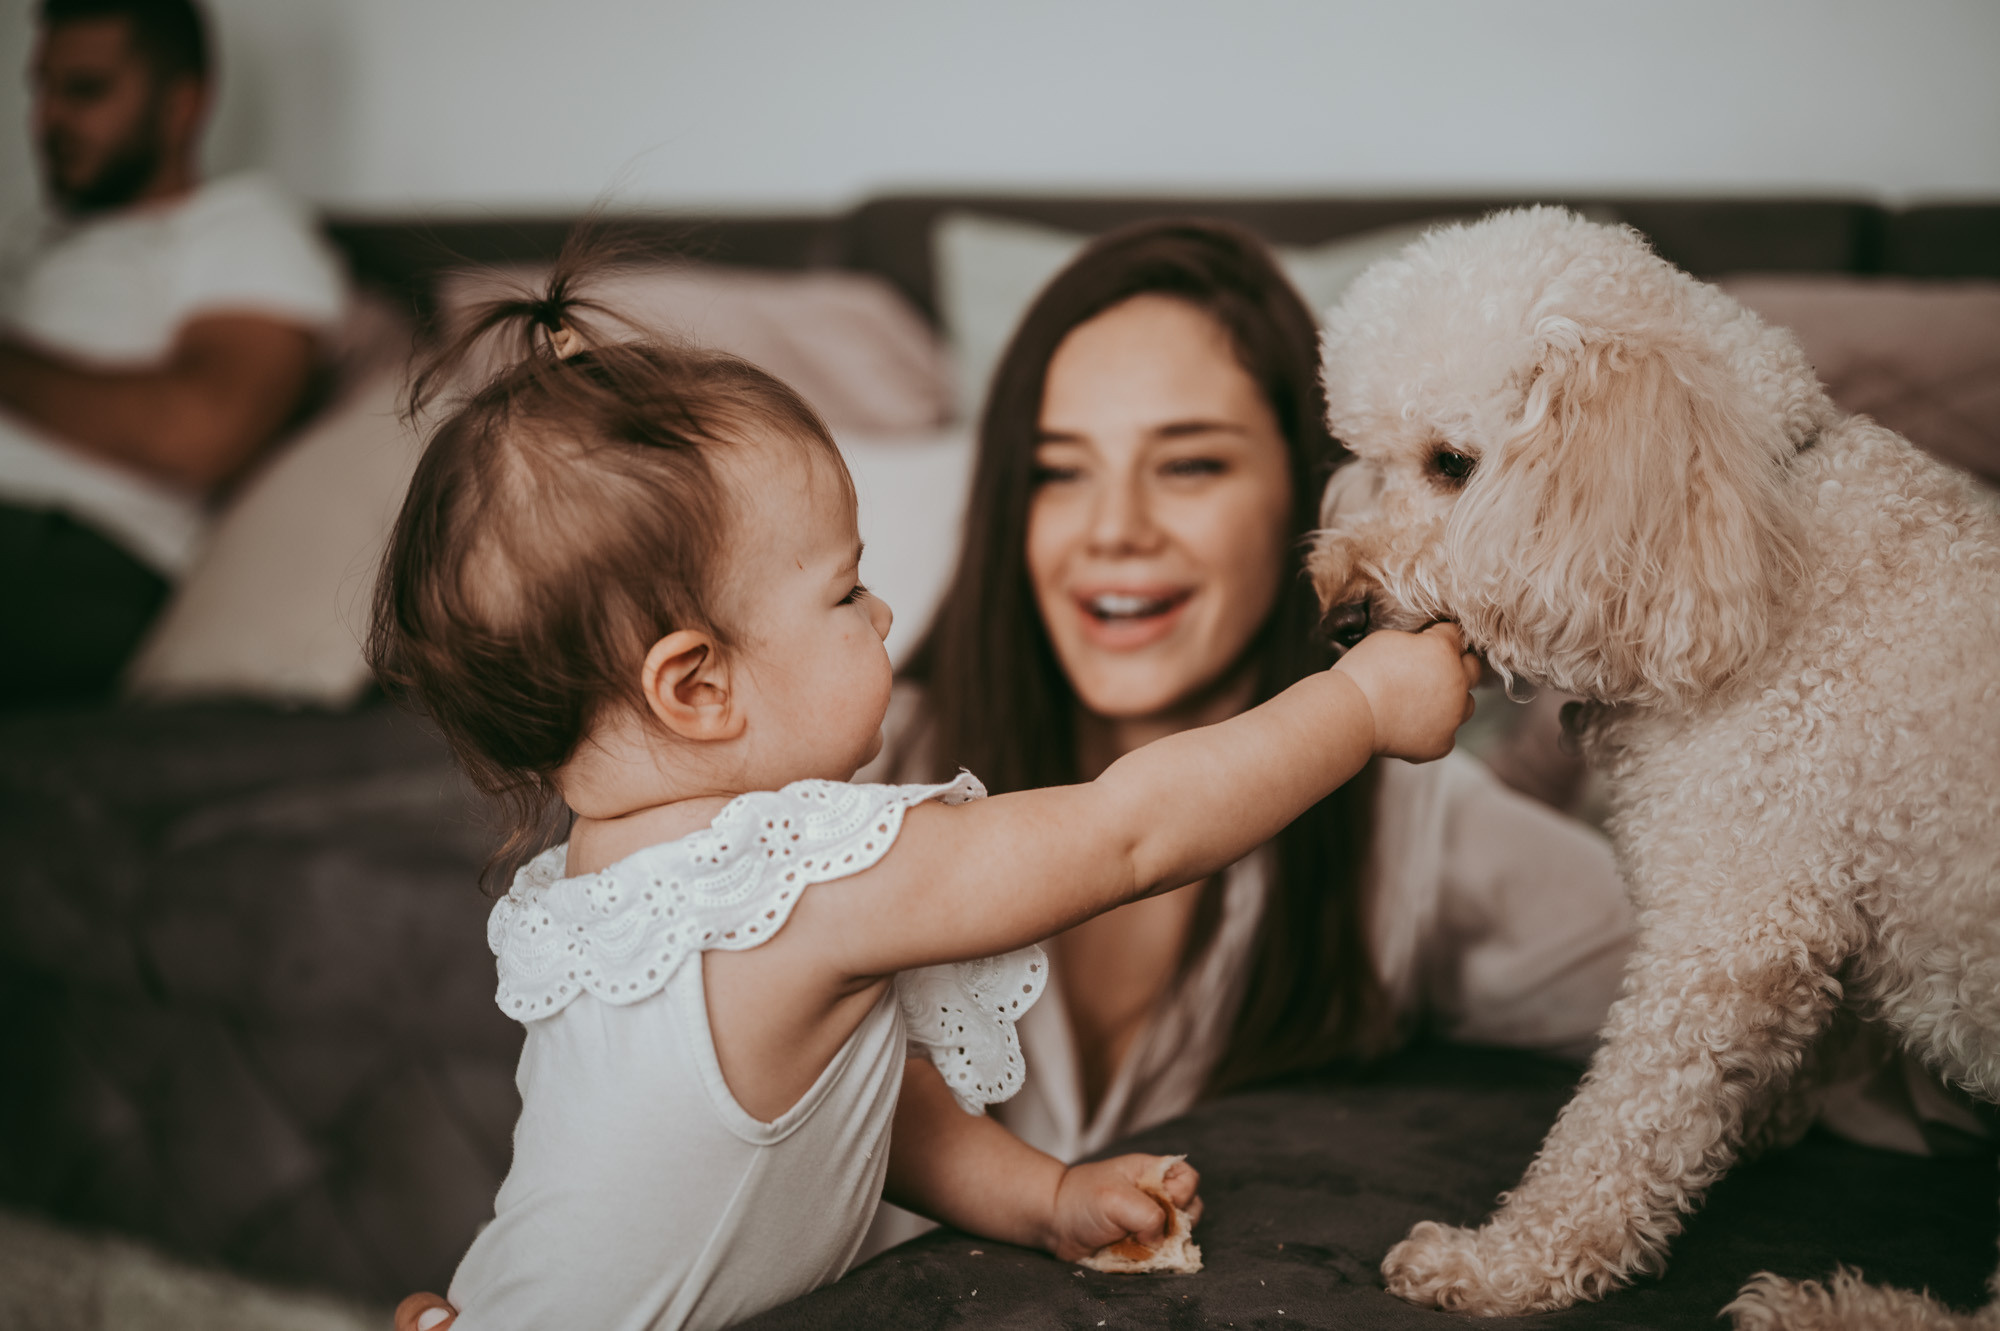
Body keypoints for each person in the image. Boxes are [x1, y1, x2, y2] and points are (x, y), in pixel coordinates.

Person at [368, 262, 1481, 1331]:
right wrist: (1358, 708)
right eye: (845, 589)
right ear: (697, 684)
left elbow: (855, 1116)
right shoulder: (795, 872)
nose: (887, 612)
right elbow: (1128, 833)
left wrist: (1044, 1198)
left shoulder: (606, 891)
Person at [860, 219, 1635, 1217]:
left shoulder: (1412, 826)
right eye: (1059, 470)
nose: (1112, 530)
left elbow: (1740, 1007)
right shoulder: (860, 775)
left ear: (1304, 494)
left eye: (1188, 465)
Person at [0, 0, 347, 704]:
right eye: (42, 88)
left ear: (182, 104)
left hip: (74, 559)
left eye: (86, 90)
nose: (46, 121)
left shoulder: (240, 227)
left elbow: (203, 430)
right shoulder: (43, 247)